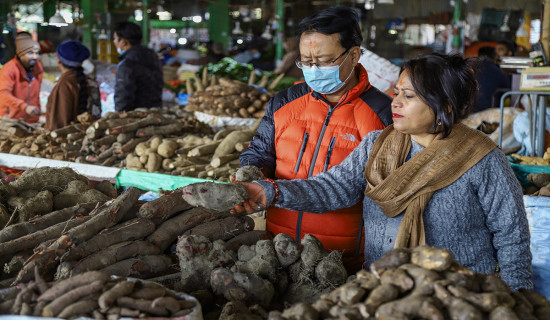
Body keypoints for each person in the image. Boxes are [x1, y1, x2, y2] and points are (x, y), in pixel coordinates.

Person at [233, 52, 533, 290]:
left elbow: (511, 234)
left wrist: (515, 297)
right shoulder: (377, 144)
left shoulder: (483, 158)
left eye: (409, 96)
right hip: (385, 290)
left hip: (458, 296)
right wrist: (269, 191)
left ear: (446, 104)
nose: (396, 102)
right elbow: (329, 188)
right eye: (397, 92)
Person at [238, 6, 393, 273]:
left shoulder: (383, 113)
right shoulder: (284, 102)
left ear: (354, 54)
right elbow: (260, 152)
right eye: (306, 62)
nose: (314, 69)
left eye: (324, 60)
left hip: (345, 257)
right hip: (279, 247)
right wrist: (250, 175)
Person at [45, 40, 100, 130]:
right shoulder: (91, 82)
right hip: (91, 137)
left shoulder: (65, 84)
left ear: (59, 61)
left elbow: (58, 125)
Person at [112, 21, 163, 111]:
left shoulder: (126, 64)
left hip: (136, 116)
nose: (114, 42)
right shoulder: (152, 56)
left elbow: (123, 96)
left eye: (115, 39)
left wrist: (120, 116)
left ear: (123, 42)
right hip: (155, 111)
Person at [0, 32, 42, 123]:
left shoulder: (38, 68)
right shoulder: (8, 70)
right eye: (30, 53)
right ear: (20, 54)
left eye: (37, 53)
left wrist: (37, 111)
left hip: (32, 120)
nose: (35, 57)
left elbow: (36, 95)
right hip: (11, 120)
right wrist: (24, 106)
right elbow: (3, 94)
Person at [473, 46, 511, 113]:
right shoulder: (500, 72)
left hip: (469, 112)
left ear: (478, 56)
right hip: (491, 113)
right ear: (495, 57)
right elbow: (508, 90)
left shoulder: (470, 70)